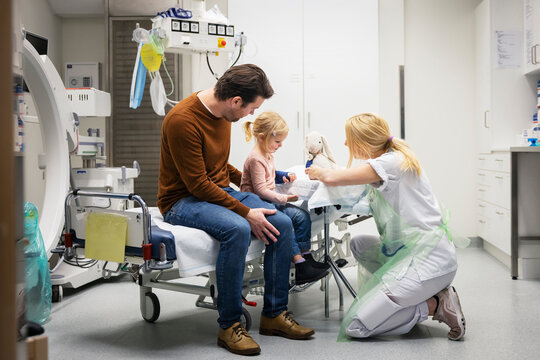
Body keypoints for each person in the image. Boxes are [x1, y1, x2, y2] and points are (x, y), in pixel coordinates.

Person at [158, 64, 314, 356]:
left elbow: (216, 171)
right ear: (235, 101)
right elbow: (198, 184)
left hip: (216, 191)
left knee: (282, 223)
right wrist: (245, 212)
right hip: (182, 201)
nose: (252, 115)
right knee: (238, 229)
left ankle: (274, 315)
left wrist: (244, 184)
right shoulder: (182, 120)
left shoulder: (223, 115)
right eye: (251, 108)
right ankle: (229, 324)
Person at [306, 113, 466, 341]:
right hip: (419, 250)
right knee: (359, 244)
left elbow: (334, 178)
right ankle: (397, 299)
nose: (345, 144)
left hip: (431, 261)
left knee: (356, 326)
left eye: (348, 140)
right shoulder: (393, 158)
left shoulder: (389, 163)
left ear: (362, 141)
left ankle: (436, 304)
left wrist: (318, 170)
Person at [240, 111, 329, 285]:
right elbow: (260, 190)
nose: (280, 146)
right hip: (258, 204)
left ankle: (306, 257)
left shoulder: (267, 154)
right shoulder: (255, 159)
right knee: (286, 224)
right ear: (261, 137)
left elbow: (269, 176)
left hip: (269, 201)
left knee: (302, 216)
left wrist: (283, 176)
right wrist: (284, 198)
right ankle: (300, 265)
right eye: (277, 141)